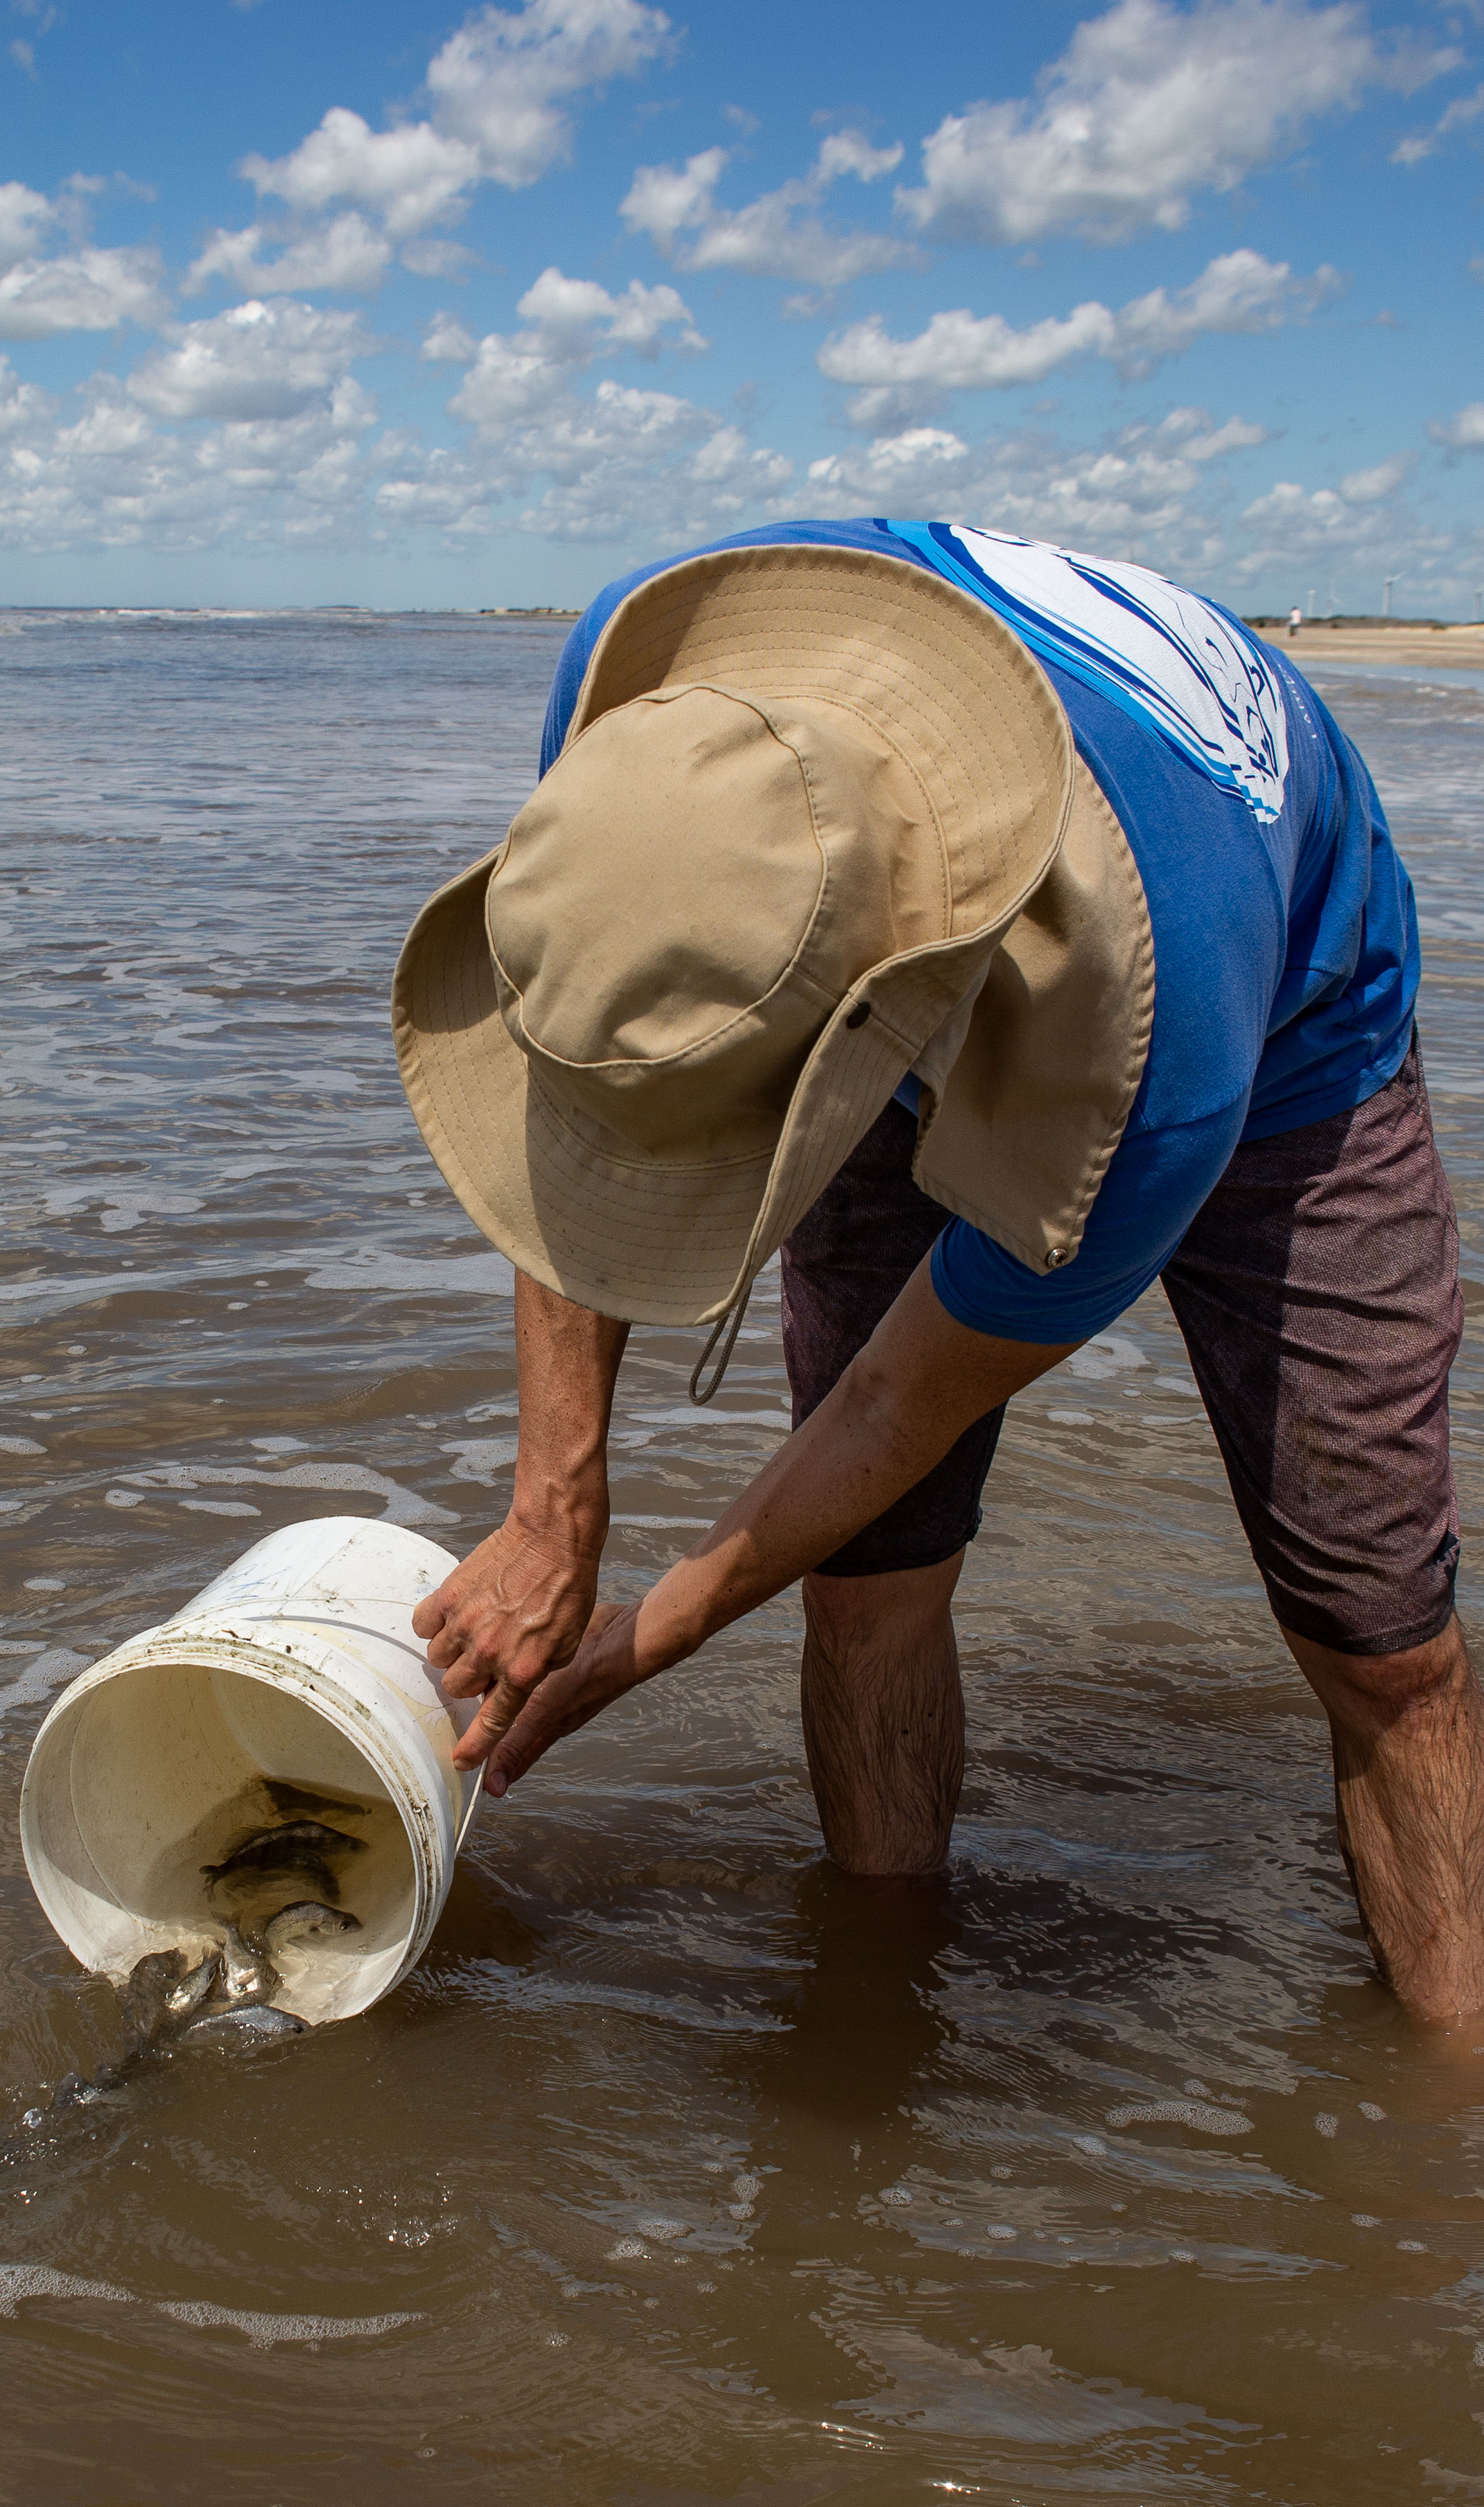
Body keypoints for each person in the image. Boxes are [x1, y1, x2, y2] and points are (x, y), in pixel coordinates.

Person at [391, 521, 1483, 2024]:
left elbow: (895, 1404)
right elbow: (584, 1062)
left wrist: (630, 1643)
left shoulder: (1159, 1054)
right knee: (866, 1576)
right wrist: (551, 1501)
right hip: (868, 910)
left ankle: (1443, 2122)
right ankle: (873, 2012)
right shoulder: (642, 695)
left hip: (1281, 1020)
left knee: (1375, 1640)